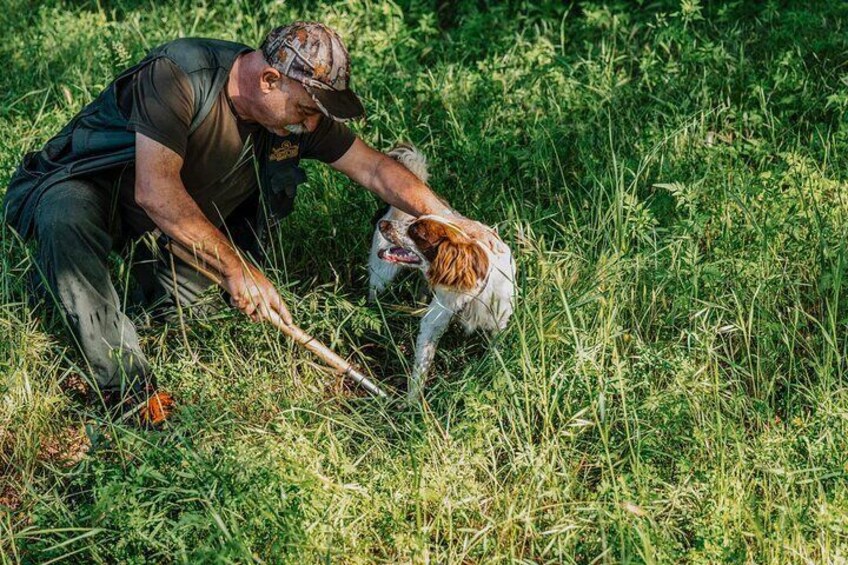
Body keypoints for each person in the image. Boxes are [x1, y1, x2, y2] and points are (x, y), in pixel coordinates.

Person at [2, 21, 495, 425]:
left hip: (168, 222)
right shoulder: (180, 74)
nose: (308, 124)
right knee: (65, 216)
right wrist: (236, 267)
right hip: (92, 188)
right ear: (269, 81)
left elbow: (375, 168)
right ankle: (129, 392)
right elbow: (155, 190)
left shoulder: (296, 115)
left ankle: (104, 301)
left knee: (184, 317)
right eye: (304, 109)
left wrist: (448, 218)